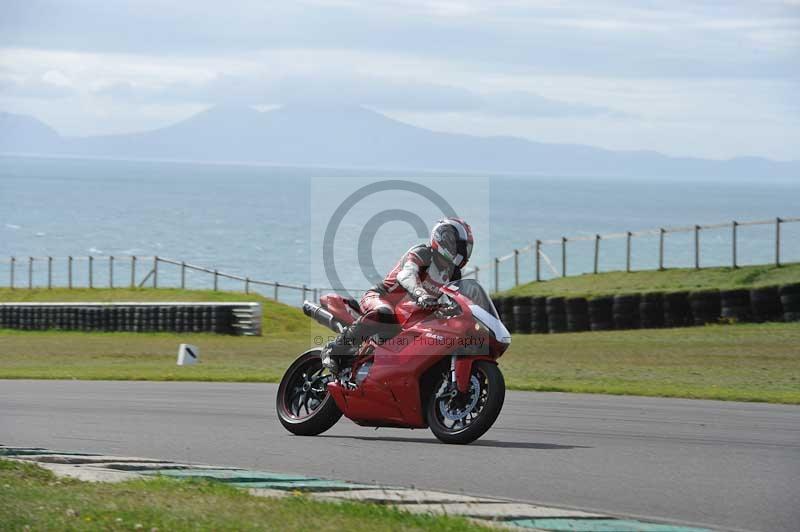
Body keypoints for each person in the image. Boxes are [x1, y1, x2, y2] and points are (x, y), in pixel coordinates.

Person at [321, 217, 474, 372]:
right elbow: (406, 275)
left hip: (410, 314)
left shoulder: (453, 273)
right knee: (384, 312)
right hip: (381, 297)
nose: (462, 252)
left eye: (465, 248)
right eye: (460, 246)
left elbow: (457, 298)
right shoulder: (423, 253)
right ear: (444, 238)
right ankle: (334, 350)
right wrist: (420, 294)